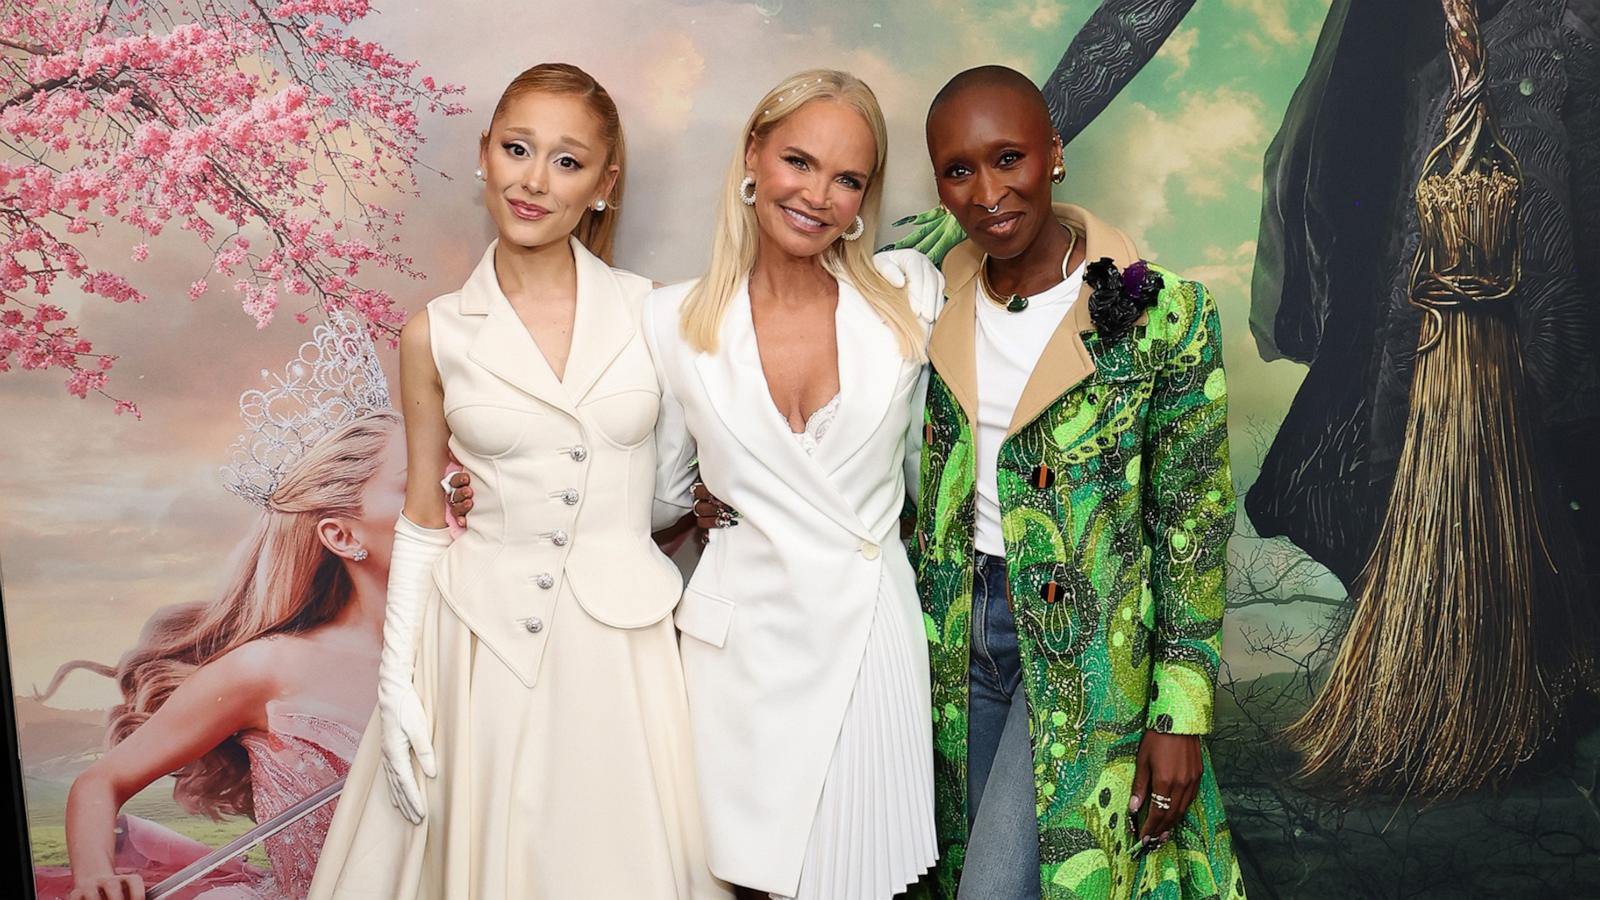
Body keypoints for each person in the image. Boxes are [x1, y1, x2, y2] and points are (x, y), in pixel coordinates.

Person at [306, 63, 726, 900]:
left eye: (567, 162)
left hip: (624, 650)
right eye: (517, 148)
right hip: (479, 646)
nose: (534, 180)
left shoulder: (657, 313)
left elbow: (675, 486)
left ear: (605, 186)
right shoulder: (434, 333)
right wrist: (397, 686)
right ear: (484, 155)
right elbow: (423, 515)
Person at [909, 66, 1245, 898]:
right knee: (963, 874)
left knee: (1009, 886)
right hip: (953, 639)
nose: (987, 192)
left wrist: (1180, 711)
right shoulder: (922, 291)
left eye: (1009, 157)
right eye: (958, 170)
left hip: (1086, 650)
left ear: (1054, 155)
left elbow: (1194, 524)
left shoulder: (1166, 313)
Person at [645, 68, 944, 900]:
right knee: (728, 881)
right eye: (799, 163)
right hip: (738, 653)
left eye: (847, 179)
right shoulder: (670, 320)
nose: (818, 195)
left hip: (866, 643)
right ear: (753, 156)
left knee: (852, 882)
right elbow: (661, 492)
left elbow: (937, 471)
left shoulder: (906, 298)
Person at [48, 317, 405, 900]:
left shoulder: (470, 647)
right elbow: (99, 781)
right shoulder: (266, 671)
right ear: (342, 536)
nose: (448, 494)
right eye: (413, 484)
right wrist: (96, 877)